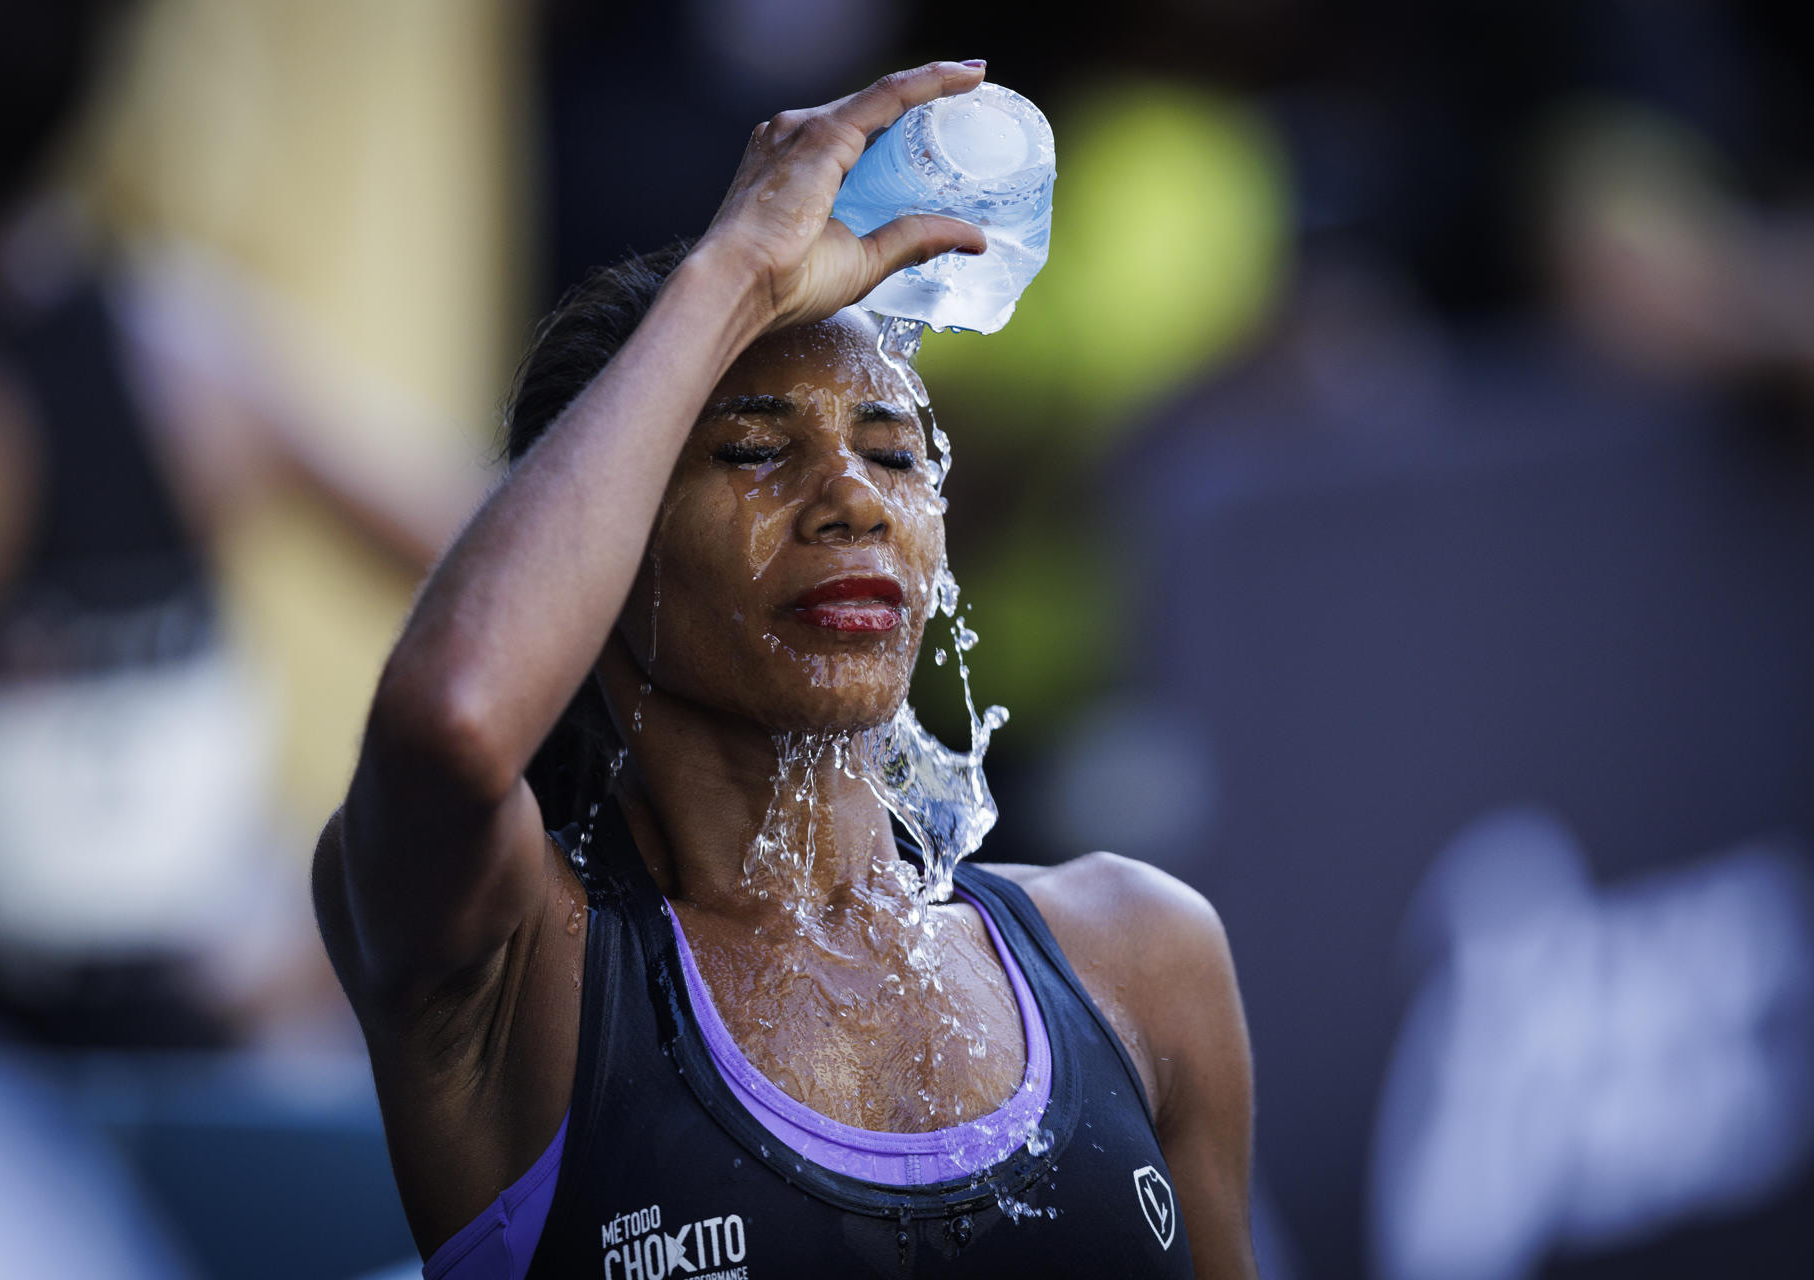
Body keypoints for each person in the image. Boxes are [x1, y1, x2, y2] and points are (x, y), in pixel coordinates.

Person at [315, 61, 1257, 1278]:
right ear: (605, 551)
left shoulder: (1143, 954)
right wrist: (730, 277)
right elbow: (449, 719)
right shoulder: (519, 966)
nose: (854, 499)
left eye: (897, 452)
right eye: (755, 450)